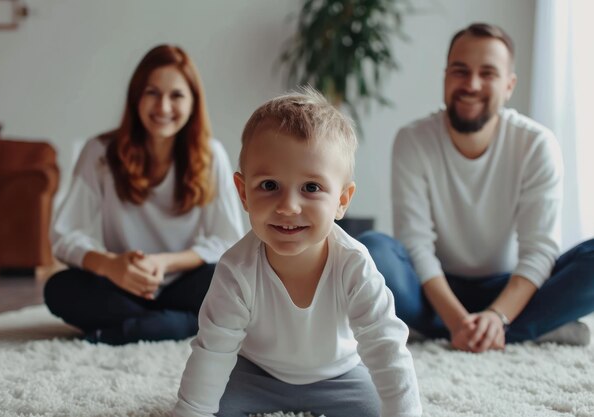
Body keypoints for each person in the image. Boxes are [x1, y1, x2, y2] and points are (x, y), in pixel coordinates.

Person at [171, 88, 421, 417]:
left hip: (338, 377)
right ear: (244, 193)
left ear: (342, 201)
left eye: (311, 188)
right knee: (209, 403)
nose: (288, 207)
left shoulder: (353, 264)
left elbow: (386, 346)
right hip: (254, 375)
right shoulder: (236, 268)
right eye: (270, 185)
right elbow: (212, 352)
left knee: (381, 407)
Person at [359, 23, 594, 352]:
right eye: (460, 71)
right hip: (433, 290)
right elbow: (416, 245)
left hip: (508, 288)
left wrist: (497, 315)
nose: (471, 84)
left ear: (509, 85)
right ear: (445, 77)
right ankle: (526, 329)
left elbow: (539, 251)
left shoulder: (536, 144)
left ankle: (471, 330)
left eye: (488, 73)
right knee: (371, 250)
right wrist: (457, 319)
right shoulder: (412, 140)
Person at [44, 45, 245, 345]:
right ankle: (178, 325)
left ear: (193, 103)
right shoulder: (100, 153)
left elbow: (228, 241)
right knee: (59, 288)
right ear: (136, 97)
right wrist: (110, 265)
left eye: (176, 95)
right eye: (152, 93)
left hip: (184, 283)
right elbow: (63, 235)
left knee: (229, 283)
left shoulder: (211, 155)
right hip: (120, 284)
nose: (163, 107)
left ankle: (133, 328)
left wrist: (164, 263)